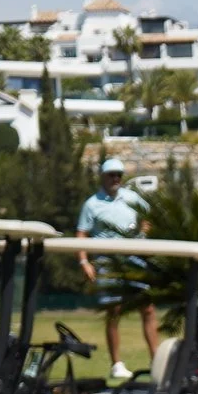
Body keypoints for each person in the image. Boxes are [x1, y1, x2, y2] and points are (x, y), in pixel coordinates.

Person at [76, 157, 156, 380]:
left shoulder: (132, 198)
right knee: (114, 311)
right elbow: (81, 234)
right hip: (107, 262)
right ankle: (117, 364)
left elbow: (148, 218)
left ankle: (156, 358)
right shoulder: (92, 204)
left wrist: (143, 236)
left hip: (135, 260)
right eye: (111, 174)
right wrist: (84, 261)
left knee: (148, 308)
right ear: (103, 177)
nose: (116, 178)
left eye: (119, 174)